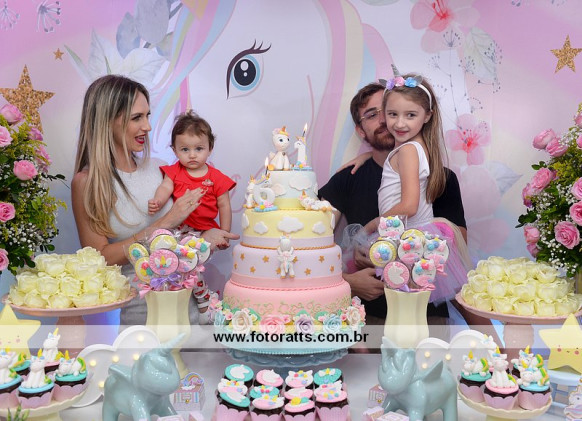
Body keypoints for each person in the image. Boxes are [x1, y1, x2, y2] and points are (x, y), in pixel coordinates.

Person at [71, 75, 239, 326]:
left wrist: (207, 238)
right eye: (137, 118)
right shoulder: (87, 183)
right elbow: (100, 259)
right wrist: (165, 222)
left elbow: (181, 240)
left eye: (147, 116)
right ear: (108, 121)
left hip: (196, 309)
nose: (148, 126)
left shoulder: (161, 169)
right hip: (144, 317)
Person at [319, 82, 466, 323]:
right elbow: (311, 242)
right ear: (360, 131)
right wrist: (348, 282)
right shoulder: (349, 177)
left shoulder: (441, 177)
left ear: (425, 116)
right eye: (374, 114)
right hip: (367, 316)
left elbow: (454, 252)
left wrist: (374, 235)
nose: (391, 121)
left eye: (407, 113)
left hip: (426, 315)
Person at [148, 110, 235, 234]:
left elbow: (224, 205)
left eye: (199, 148)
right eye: (185, 149)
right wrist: (158, 201)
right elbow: (165, 187)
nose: (192, 155)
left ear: (210, 148)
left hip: (206, 230)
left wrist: (225, 232)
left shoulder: (217, 178)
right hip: (178, 230)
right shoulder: (174, 171)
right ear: (175, 151)